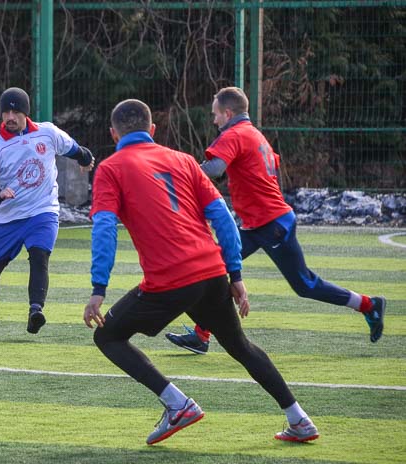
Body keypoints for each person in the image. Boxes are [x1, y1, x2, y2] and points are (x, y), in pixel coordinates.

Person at [83, 99, 319, 444]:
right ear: (152, 131)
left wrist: (98, 288)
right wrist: (235, 275)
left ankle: (177, 404)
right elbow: (223, 218)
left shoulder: (110, 167)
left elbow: (104, 227)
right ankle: (299, 419)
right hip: (211, 272)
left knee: (107, 336)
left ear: (113, 133)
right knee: (240, 345)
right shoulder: (183, 160)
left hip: (171, 279)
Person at [166, 86, 386, 355]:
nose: (214, 121)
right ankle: (202, 335)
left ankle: (368, 305)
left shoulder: (234, 134)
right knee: (212, 266)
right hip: (260, 224)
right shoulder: (254, 135)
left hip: (271, 226)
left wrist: (179, 172)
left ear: (228, 112)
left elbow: (214, 169)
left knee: (305, 285)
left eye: (216, 115)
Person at [0, 87, 94, 335]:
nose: (10, 117)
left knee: (39, 256)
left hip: (42, 211)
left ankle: (35, 311)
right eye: (6, 112)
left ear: (26, 113)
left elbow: (73, 148)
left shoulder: (47, 132)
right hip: (8, 217)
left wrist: (85, 158)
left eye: (15, 111)